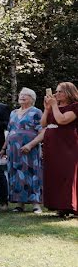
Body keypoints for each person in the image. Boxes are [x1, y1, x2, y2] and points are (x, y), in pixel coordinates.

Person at [0, 88, 44, 213]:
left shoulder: (36, 112)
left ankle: (36, 205)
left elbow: (42, 132)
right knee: (16, 175)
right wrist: (3, 149)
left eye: (26, 95)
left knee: (32, 174)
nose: (23, 96)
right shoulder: (13, 112)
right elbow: (10, 132)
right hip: (13, 150)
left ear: (32, 99)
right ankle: (20, 204)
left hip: (30, 149)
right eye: (21, 94)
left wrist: (30, 145)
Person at [41, 82, 78, 216]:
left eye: (59, 92)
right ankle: (59, 206)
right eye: (56, 92)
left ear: (68, 93)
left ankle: (71, 206)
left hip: (67, 145)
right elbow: (44, 123)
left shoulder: (74, 106)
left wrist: (54, 105)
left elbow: (62, 120)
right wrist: (47, 108)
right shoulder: (54, 106)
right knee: (54, 173)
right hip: (52, 144)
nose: (56, 94)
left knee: (67, 174)